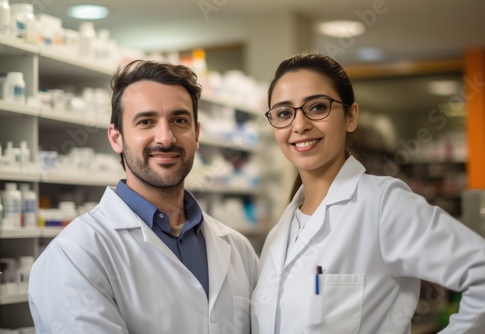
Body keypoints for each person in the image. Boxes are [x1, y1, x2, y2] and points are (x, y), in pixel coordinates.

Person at [251, 51, 485, 334]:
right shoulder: (279, 236)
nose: (299, 125)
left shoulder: (384, 204)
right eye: (284, 113)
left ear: (351, 116)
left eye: (317, 107)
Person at [28, 60, 259, 333]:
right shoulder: (75, 254)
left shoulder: (238, 249)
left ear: (196, 135)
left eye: (179, 120)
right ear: (116, 138)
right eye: (146, 121)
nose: (165, 137)